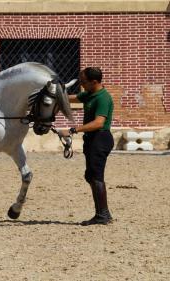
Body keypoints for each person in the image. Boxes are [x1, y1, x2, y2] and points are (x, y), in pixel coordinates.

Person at [60, 67, 114, 225]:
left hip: (100, 138)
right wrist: (57, 96)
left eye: (83, 82)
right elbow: (74, 98)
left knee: (96, 176)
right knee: (90, 176)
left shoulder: (103, 98)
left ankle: (103, 215)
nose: (81, 85)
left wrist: (72, 130)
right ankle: (102, 213)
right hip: (92, 139)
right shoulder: (90, 93)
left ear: (94, 82)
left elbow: (99, 123)